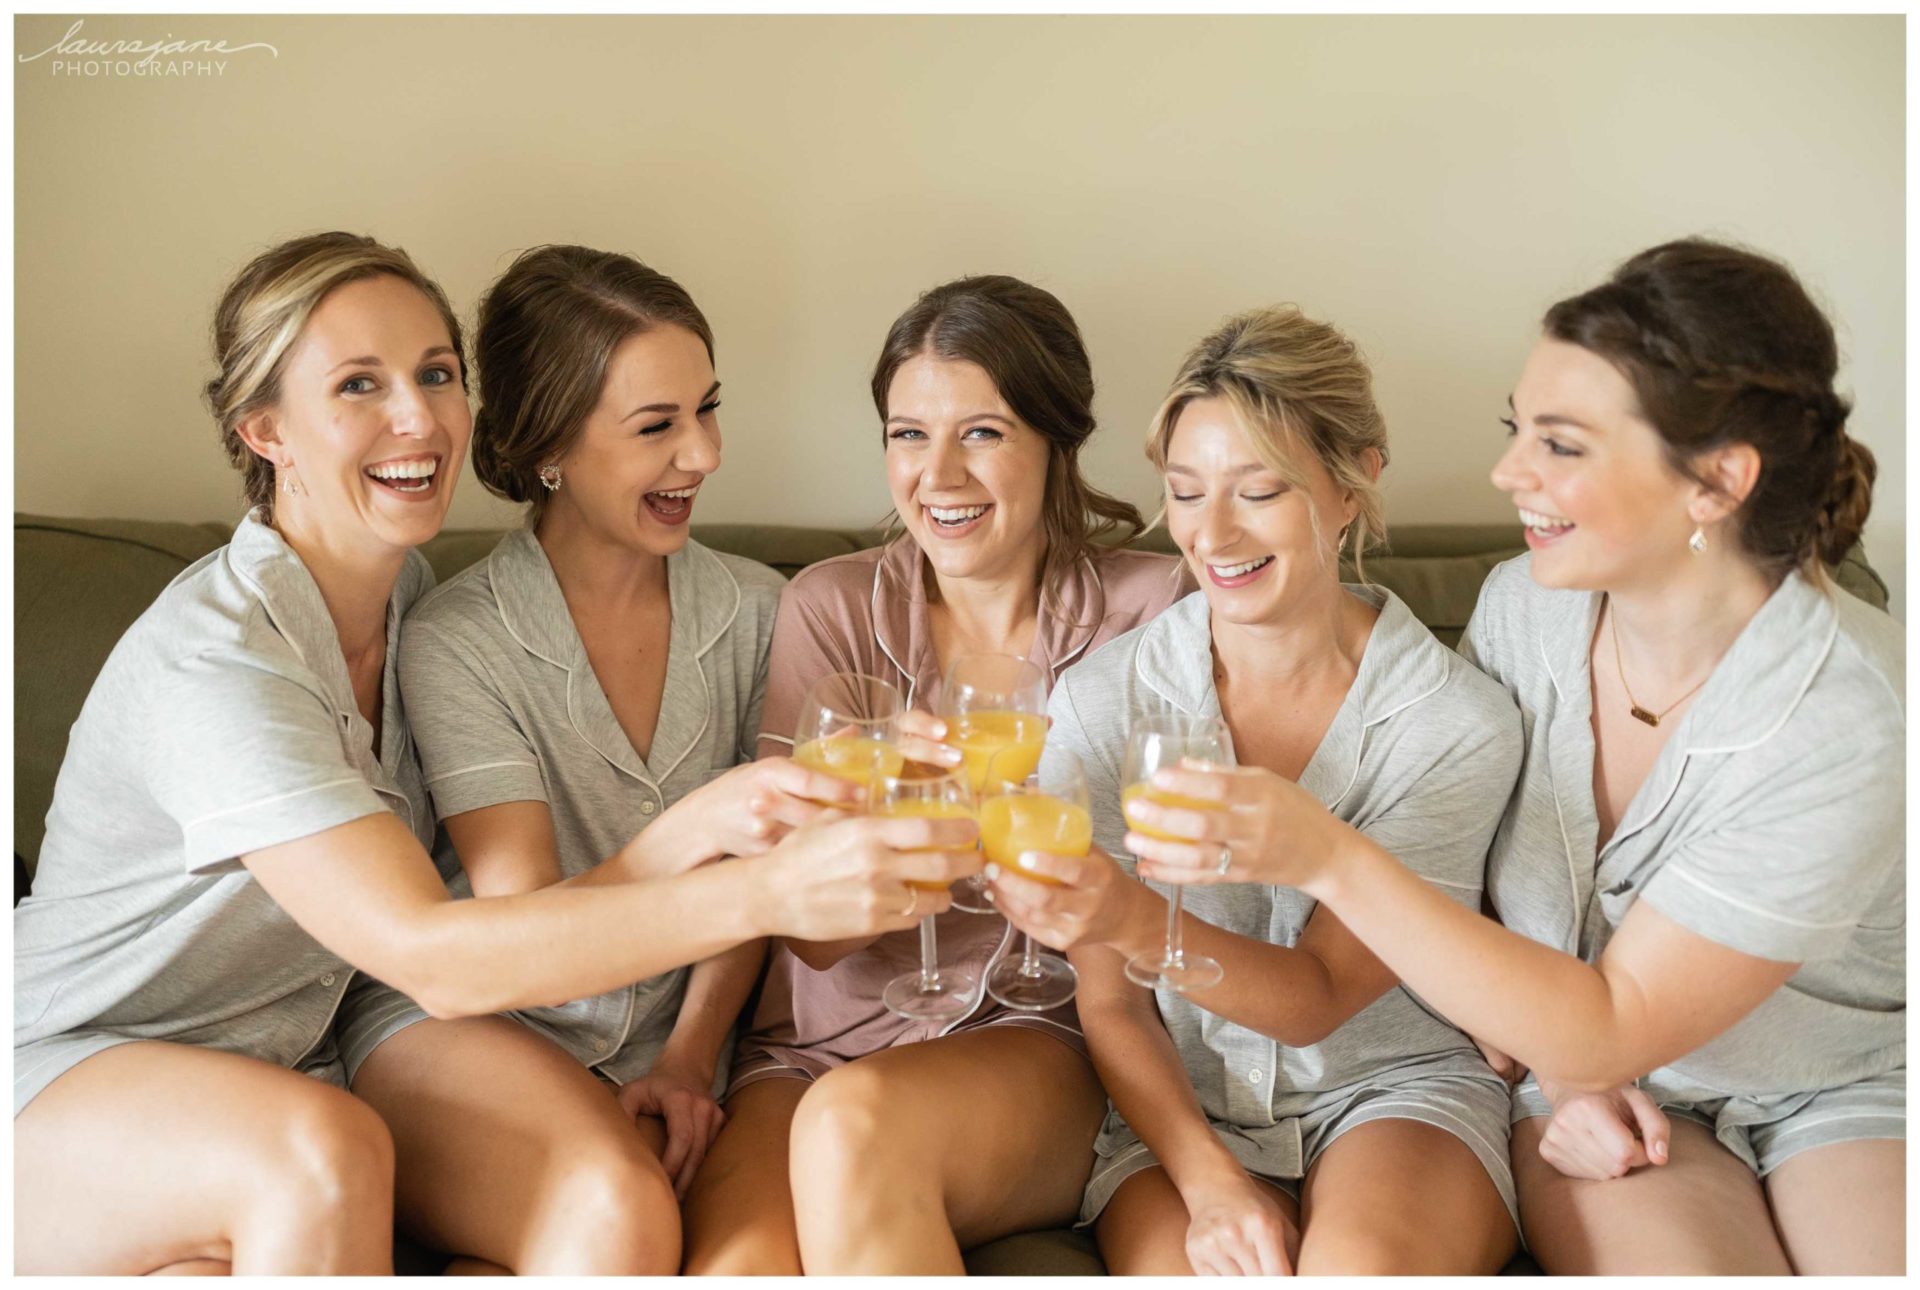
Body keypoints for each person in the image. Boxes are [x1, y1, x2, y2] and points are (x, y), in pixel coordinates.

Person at [13, 233, 975, 1275]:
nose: (419, 418)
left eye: (436, 373)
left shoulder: (404, 601)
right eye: (357, 385)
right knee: (320, 1157)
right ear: (265, 430)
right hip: (77, 1077)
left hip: (297, 1066)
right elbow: (436, 954)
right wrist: (761, 884)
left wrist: (724, 905)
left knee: (568, 1211)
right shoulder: (222, 667)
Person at [1122, 240, 1904, 1275]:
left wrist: (1327, 856)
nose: (1508, 473)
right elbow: (1486, 911)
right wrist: (1566, 1070)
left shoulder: (1847, 717)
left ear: (1718, 481)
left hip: (1840, 1082)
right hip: (1586, 1083)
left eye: (1562, 444)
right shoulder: (1525, 614)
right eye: (1516, 430)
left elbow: (1613, 1015)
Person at [989, 304, 1525, 1274]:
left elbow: (1319, 998)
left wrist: (1126, 915)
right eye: (1185, 492)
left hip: (1393, 1087)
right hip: (1180, 1109)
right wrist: (1209, 1183)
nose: (1213, 531)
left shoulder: (1454, 724)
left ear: (1355, 481)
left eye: (1259, 490)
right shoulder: (1106, 698)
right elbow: (1112, 1007)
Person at [683, 275, 1191, 1274]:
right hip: (814, 1043)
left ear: (1057, 439)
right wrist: (887, 840)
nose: (938, 473)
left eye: (985, 433)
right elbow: (794, 930)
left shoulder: (1155, 608)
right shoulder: (830, 609)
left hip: (1043, 1035)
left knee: (858, 1122)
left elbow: (1191, 888)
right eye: (908, 434)